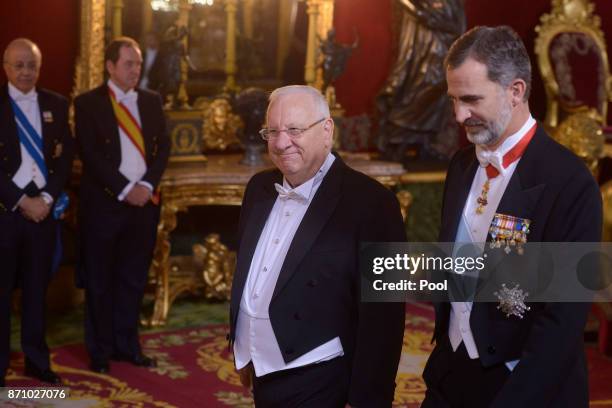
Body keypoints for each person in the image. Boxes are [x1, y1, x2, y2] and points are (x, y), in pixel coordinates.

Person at [421, 26, 602, 408]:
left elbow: (560, 322)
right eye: (453, 99)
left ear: (515, 91)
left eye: (470, 99)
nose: (458, 115)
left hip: (522, 386)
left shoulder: (569, 182)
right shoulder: (460, 166)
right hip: (451, 374)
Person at [229, 85, 406, 407]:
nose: (281, 143)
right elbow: (251, 274)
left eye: (295, 130)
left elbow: (385, 318)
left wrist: (371, 398)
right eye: (272, 132)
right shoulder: (258, 189)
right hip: (261, 370)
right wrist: (244, 343)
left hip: (322, 376)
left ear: (327, 130)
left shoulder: (374, 203)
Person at [74, 36, 170, 374]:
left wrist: (145, 185)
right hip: (105, 204)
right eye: (129, 63)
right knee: (100, 281)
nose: (135, 69)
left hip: (144, 204)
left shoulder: (151, 100)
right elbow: (89, 154)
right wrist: (125, 188)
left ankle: (127, 345)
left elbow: (164, 148)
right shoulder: (88, 103)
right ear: (110, 66)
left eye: (139, 63)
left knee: (133, 280)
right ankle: (99, 351)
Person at [0, 38, 74, 386]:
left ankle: (36, 360)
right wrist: (21, 200)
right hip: (7, 212)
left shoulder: (56, 104)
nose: (26, 71)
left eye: (31, 65)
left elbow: (64, 160)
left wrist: (46, 198)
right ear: (6, 67)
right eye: (19, 65)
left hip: (44, 211)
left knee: (36, 292)